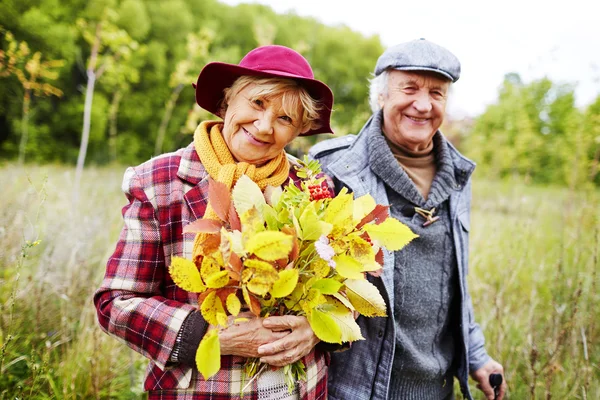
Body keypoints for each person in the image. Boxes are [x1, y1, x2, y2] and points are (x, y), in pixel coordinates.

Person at [94, 45, 335, 399]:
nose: (265, 126)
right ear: (226, 102)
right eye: (257, 103)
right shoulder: (159, 181)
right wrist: (214, 336)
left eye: (285, 119)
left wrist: (315, 329)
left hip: (298, 389)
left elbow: (340, 287)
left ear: (298, 130)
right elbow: (116, 303)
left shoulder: (311, 186)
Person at [309, 38, 507, 400]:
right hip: (352, 389)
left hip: (437, 389)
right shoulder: (334, 168)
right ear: (382, 96)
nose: (422, 104)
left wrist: (477, 355)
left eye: (436, 93)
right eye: (409, 88)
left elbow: (454, 284)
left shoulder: (459, 176)